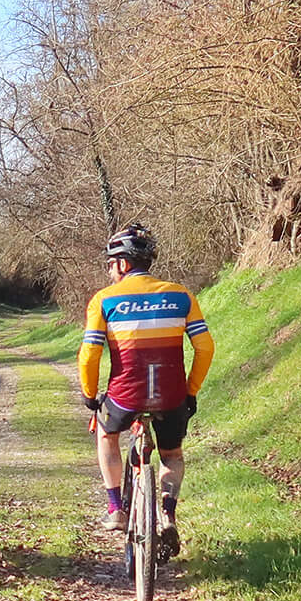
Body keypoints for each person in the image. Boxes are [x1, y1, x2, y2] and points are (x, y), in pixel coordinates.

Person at [78, 225, 215, 553]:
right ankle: (167, 514)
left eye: (111, 263)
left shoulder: (104, 300)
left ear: (123, 264)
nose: (110, 270)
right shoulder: (182, 296)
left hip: (124, 396)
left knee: (106, 435)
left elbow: (89, 355)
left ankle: (115, 508)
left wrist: (89, 395)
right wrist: (191, 391)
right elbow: (206, 348)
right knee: (171, 454)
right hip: (170, 396)